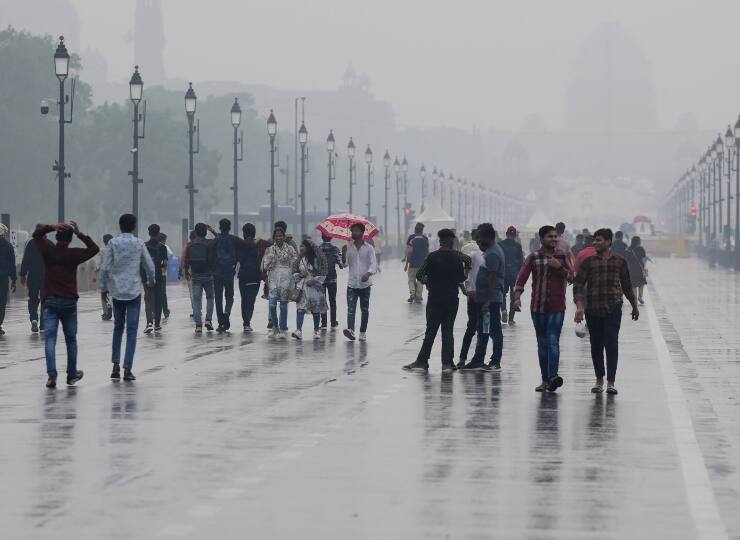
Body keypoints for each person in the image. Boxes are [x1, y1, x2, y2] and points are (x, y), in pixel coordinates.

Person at [574, 228, 639, 395]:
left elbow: (626, 285)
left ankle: (611, 382)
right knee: (595, 345)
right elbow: (578, 285)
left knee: (611, 344)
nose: (595, 243)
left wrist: (634, 305)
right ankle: (599, 380)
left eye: (599, 240)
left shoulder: (620, 261)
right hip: (593, 309)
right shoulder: (588, 262)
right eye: (595, 240)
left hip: (613, 308)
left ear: (609, 242)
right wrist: (580, 307)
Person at [33, 221, 99, 387]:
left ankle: (52, 375)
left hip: (50, 300)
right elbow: (94, 249)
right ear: (70, 239)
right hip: (69, 302)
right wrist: (80, 233)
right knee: (70, 339)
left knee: (50, 339)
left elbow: (37, 235)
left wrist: (51, 226)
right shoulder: (73, 254)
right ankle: (71, 374)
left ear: (56, 237)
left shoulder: (49, 251)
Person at [514, 225, 574, 392]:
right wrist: (517, 297)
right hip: (538, 307)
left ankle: (553, 376)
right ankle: (545, 380)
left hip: (557, 306)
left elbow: (572, 277)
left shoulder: (562, 256)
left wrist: (559, 267)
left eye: (555, 236)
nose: (554, 239)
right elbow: (522, 277)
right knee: (542, 343)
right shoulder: (533, 257)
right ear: (541, 239)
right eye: (550, 237)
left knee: (553, 340)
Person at [101, 214, 156, 381]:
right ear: (133, 227)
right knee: (132, 331)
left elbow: (104, 268)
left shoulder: (113, 243)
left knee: (118, 328)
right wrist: (150, 282)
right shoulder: (139, 243)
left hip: (117, 292)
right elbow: (149, 265)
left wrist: (104, 288)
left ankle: (115, 365)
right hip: (133, 292)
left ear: (120, 226)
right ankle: (127, 368)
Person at [404, 229, 467, 372]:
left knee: (431, 331)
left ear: (440, 241)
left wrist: (428, 283)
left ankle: (422, 361)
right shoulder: (457, 258)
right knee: (447, 331)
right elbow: (461, 278)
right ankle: (447, 363)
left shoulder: (432, 257)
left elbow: (420, 275)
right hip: (451, 300)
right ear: (451, 242)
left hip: (435, 299)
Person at [462, 223, 505, 371]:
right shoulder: (491, 251)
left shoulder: (493, 253)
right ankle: (478, 359)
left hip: (490, 301)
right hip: (486, 299)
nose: (478, 242)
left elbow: (492, 278)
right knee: (484, 330)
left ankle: (495, 361)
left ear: (488, 237)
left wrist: (487, 301)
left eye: (480, 239)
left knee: (493, 330)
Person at [342, 223, 378, 341]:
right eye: (352, 231)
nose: (354, 233)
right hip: (352, 284)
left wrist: (368, 273)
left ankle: (362, 332)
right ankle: (351, 330)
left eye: (357, 231)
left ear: (362, 232)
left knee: (364, 309)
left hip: (365, 285)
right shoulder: (349, 247)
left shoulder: (369, 248)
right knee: (351, 308)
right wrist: (343, 254)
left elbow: (374, 264)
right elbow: (344, 264)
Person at [261, 227, 298, 338]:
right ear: (274, 238)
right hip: (273, 277)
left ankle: (282, 328)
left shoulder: (291, 249)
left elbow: (295, 262)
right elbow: (264, 265)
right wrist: (270, 263)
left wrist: (294, 276)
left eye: (280, 236)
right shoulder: (269, 250)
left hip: (286, 278)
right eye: (276, 236)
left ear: (284, 237)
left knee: (283, 305)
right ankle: (275, 327)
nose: (278, 238)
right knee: (272, 305)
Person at [457, 228, 485, 368]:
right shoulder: (474, 255)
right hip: (479, 298)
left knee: (478, 328)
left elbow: (464, 274)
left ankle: (472, 358)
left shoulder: (490, 255)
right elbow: (463, 274)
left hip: (481, 298)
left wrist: (467, 289)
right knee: (477, 328)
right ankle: (468, 358)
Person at [292, 239, 328, 340]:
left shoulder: (317, 260)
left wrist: (313, 280)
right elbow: (294, 273)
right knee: (300, 308)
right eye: (300, 246)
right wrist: (299, 275)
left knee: (315, 310)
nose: (301, 248)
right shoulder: (299, 260)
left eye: (303, 246)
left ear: (308, 248)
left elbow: (322, 274)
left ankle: (316, 330)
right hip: (302, 288)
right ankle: (298, 330)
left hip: (314, 289)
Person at [185, 223, 217, 333]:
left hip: (195, 276)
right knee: (210, 298)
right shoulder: (209, 243)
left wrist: (186, 271)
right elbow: (219, 239)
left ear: (196, 232)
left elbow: (187, 259)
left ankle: (198, 325)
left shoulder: (191, 245)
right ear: (204, 232)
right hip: (208, 275)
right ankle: (208, 320)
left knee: (197, 300)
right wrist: (211, 230)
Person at [237, 223, 267, 333]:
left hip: (244, 276)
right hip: (255, 277)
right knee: (251, 301)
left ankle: (246, 322)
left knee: (244, 300)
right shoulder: (260, 244)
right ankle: (247, 322)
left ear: (244, 233)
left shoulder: (240, 244)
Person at [212, 218, 239, 333]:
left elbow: (211, 254)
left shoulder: (216, 240)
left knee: (218, 298)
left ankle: (220, 322)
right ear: (229, 227)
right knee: (229, 296)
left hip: (217, 273)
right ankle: (227, 313)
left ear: (220, 227)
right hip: (229, 272)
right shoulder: (233, 239)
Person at [20, 225, 45, 333]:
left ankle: (34, 318)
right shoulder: (49, 244)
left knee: (33, 299)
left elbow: (25, 260)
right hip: (47, 278)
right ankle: (43, 324)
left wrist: (22, 274)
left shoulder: (30, 243)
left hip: (33, 276)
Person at [142, 224, 168, 334]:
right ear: (158, 233)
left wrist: (143, 278)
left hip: (147, 277)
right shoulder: (162, 248)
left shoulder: (144, 246)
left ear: (149, 233)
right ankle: (157, 324)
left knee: (148, 300)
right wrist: (163, 277)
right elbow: (164, 264)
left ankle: (149, 323)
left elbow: (141, 263)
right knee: (158, 300)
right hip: (159, 277)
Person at [498, 225, 524, 324]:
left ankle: (503, 309)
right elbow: (521, 262)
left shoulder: (500, 244)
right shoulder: (518, 246)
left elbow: (498, 259)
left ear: (506, 234)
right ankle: (511, 319)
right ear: (515, 235)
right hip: (514, 275)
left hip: (503, 274)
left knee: (502, 294)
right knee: (513, 296)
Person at [319, 234, 343, 329]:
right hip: (332, 278)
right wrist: (343, 253)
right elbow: (341, 264)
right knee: (332, 300)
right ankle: (333, 322)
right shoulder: (335, 249)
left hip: (321, 279)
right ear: (331, 238)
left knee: (322, 300)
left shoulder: (318, 248)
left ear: (322, 237)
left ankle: (324, 323)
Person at [405, 222, 429, 303]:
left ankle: (412, 294)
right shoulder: (425, 240)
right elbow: (427, 253)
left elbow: (408, 253)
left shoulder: (411, 240)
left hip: (412, 264)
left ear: (415, 230)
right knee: (420, 281)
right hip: (422, 264)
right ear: (422, 231)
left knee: (411, 280)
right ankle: (418, 296)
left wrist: (406, 264)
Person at [0, 224, 17, 336]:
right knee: (1, 302)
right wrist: (14, 279)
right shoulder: (8, 246)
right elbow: (12, 265)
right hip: (3, 279)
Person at [179, 230, 197, 318]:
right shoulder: (204, 244)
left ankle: (195, 310)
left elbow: (183, 258)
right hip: (202, 271)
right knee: (199, 291)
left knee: (192, 291)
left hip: (190, 270)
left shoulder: (188, 245)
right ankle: (199, 309)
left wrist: (182, 270)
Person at [625, 236, 648, 305]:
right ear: (638, 241)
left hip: (631, 268)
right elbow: (644, 259)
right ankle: (640, 297)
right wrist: (644, 266)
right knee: (641, 283)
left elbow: (626, 259)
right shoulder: (641, 249)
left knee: (633, 284)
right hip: (639, 268)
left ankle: (634, 299)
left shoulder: (628, 249)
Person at [159, 232, 173, 319]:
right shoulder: (164, 247)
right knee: (163, 293)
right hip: (163, 273)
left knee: (153, 293)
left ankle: (154, 311)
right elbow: (171, 254)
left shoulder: (150, 246)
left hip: (153, 273)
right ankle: (165, 311)